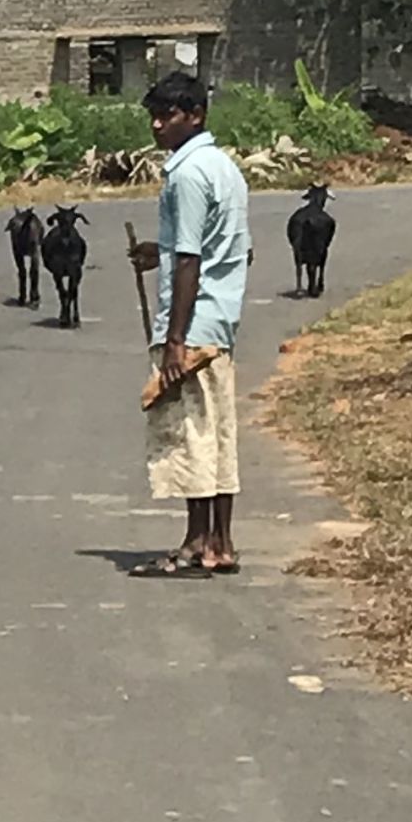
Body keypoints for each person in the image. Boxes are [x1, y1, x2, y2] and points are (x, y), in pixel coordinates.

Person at [125, 73, 251, 577]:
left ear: (195, 115)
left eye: (169, 115)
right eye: (154, 115)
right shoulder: (225, 168)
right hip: (220, 321)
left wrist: (176, 339)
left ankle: (196, 544)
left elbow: (193, 261)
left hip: (194, 326)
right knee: (218, 432)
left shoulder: (187, 174)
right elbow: (230, 247)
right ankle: (221, 542)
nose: (158, 125)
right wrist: (163, 251)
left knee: (191, 433)